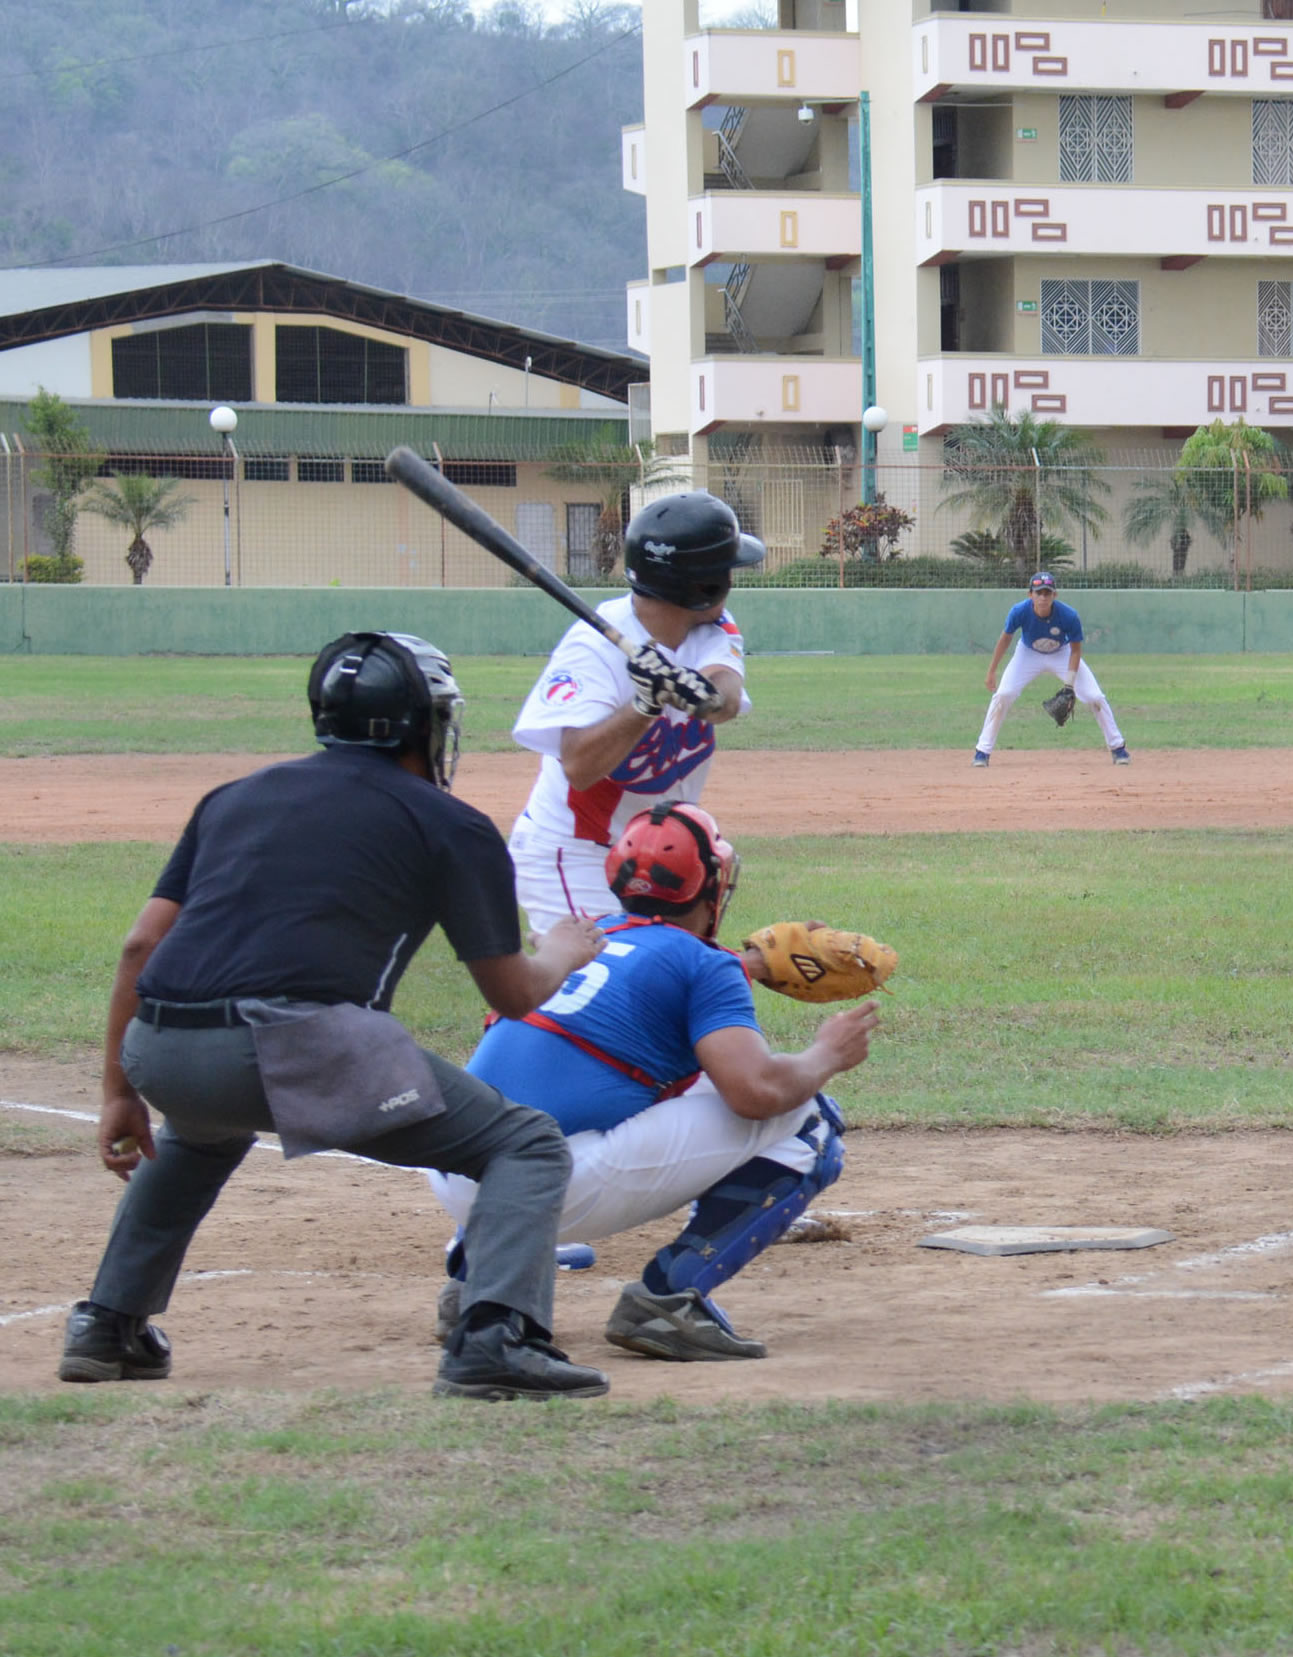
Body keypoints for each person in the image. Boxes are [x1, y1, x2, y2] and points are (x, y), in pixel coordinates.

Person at [64, 633, 610, 1401]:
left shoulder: (234, 796)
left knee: (202, 1129)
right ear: (425, 724)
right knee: (524, 1144)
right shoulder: (450, 824)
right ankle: (496, 1338)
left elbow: (140, 945)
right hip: (292, 1043)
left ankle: (106, 1324)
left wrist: (120, 1089)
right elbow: (513, 994)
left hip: (162, 1046)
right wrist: (563, 950)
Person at [428, 801, 876, 1361]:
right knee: (809, 1118)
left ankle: (476, 1286)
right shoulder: (702, 965)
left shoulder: (589, 934)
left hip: (458, 1173)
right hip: (547, 1183)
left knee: (618, 1089)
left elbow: (654, 978)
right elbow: (755, 1092)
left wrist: (750, 966)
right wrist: (824, 1054)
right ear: (711, 886)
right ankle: (669, 1300)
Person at [506, 490, 762, 934]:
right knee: (612, 989)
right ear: (702, 587)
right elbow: (579, 767)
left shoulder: (711, 624)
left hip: (653, 848)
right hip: (574, 852)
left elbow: (727, 697)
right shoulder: (592, 651)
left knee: (668, 981)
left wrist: (692, 690)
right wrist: (645, 703)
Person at [974, 570, 1128, 767]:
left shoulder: (1068, 615)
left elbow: (1075, 651)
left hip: (1061, 653)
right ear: (1030, 594)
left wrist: (1069, 685)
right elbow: (1005, 640)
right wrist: (991, 671)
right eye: (1038, 592)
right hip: (1027, 653)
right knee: (1004, 694)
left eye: (1047, 593)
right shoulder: (1019, 611)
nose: (1043, 597)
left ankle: (1118, 748)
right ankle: (982, 751)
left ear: (1055, 595)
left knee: (1094, 696)